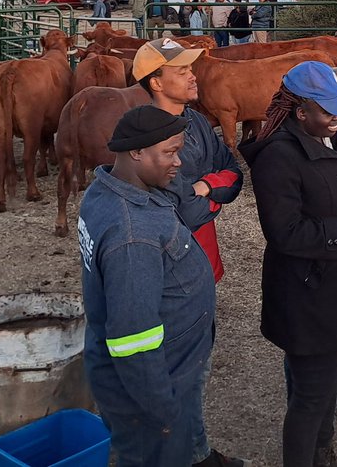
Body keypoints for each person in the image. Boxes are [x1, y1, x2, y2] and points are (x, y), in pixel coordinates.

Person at [242, 61, 337, 467]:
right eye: (327, 112)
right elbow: (285, 232)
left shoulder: (333, 137)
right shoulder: (278, 157)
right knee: (311, 396)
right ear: (300, 112)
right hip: (307, 292)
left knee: (324, 388)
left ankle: (323, 454)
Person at [132, 39, 249, 467]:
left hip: (203, 264)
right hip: (173, 271)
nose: (193, 74)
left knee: (196, 365)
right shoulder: (149, 136)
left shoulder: (197, 124)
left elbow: (234, 174)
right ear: (156, 81)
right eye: (181, 71)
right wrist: (208, 191)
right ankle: (185, 455)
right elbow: (187, 207)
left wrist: (207, 187)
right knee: (180, 368)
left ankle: (191, 449)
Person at [78, 105, 215, 467]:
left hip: (146, 378)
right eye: (170, 152)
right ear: (136, 152)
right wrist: (164, 410)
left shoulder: (110, 189)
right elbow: (132, 338)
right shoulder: (132, 235)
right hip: (151, 390)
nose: (179, 162)